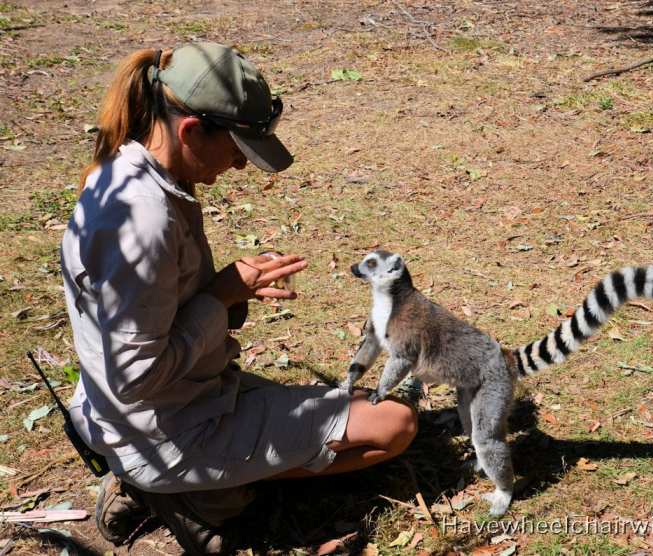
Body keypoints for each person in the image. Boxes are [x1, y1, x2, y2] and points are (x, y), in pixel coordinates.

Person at [60, 42, 417, 555]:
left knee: (360, 411)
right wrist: (222, 296)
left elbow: (148, 318)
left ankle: (202, 483)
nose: (240, 168)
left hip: (154, 406)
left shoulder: (127, 176)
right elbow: (134, 376)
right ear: (189, 130)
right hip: (160, 432)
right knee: (395, 425)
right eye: (236, 151)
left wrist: (229, 292)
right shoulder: (144, 219)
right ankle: (201, 493)